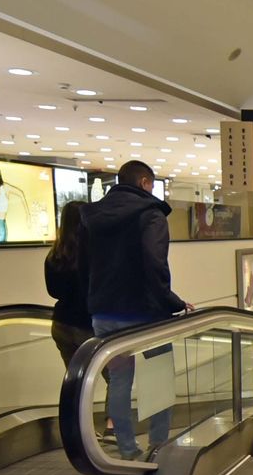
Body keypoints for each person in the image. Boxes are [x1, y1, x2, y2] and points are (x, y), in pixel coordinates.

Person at [81, 160, 190, 459]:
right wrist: (173, 302)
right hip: (145, 314)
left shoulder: (95, 216)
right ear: (144, 182)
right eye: (152, 185)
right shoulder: (151, 215)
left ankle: (128, 449)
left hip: (104, 312)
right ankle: (158, 444)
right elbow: (155, 264)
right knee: (159, 377)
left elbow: (85, 265)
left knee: (119, 381)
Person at [45, 201, 92, 368]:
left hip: (61, 323)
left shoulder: (54, 254)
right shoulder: (90, 253)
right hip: (87, 325)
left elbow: (53, 291)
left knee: (74, 381)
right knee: (115, 378)